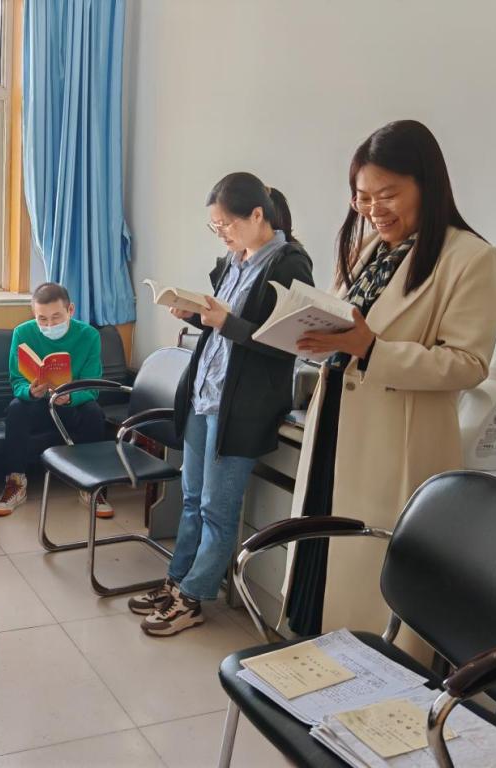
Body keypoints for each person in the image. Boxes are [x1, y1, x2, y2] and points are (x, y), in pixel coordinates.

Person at [283, 120, 496, 655]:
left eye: (387, 194)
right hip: (336, 423)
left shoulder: (471, 258)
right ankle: (318, 663)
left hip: (395, 441)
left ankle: (369, 679)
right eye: (362, 197)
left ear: (427, 185)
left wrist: (372, 350)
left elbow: (468, 363)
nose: (373, 209)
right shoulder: (370, 249)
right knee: (322, 552)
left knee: (369, 574)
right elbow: (345, 319)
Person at [129, 172, 314, 637]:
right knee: (192, 498)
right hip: (204, 393)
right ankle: (177, 582)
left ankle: (193, 598)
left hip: (241, 407)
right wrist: (198, 315)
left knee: (216, 508)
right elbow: (227, 329)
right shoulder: (235, 261)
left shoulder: (289, 266)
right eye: (215, 226)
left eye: (226, 224)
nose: (222, 234)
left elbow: (286, 344)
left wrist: (224, 322)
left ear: (257, 215)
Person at [0, 282, 113, 517]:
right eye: (42, 319)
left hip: (71, 404)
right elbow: (16, 381)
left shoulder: (89, 335)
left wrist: (69, 398)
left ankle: (91, 485)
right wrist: (29, 392)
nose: (49, 325)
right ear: (34, 314)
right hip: (37, 402)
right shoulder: (23, 333)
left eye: (56, 317)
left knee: (94, 412)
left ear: (71, 310)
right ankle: (15, 483)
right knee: (16, 409)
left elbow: (92, 387)